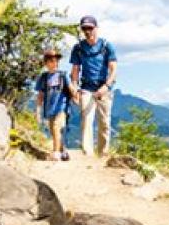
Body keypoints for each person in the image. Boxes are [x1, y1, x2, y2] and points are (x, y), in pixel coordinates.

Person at [69, 16, 118, 157]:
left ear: (96, 28)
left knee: (104, 123)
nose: (87, 31)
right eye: (84, 28)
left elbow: (114, 69)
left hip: (104, 89)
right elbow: (75, 70)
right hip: (86, 88)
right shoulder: (78, 48)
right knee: (86, 120)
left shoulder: (107, 46)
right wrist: (74, 87)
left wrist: (107, 86)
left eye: (90, 28)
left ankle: (103, 154)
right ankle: (87, 154)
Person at [35, 48, 79, 161]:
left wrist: (76, 97)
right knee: (54, 131)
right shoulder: (43, 77)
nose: (55, 63)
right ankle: (62, 150)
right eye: (51, 60)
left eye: (56, 60)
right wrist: (38, 110)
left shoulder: (63, 75)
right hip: (49, 109)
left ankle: (55, 153)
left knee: (56, 127)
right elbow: (40, 94)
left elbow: (70, 89)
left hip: (61, 108)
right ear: (46, 63)